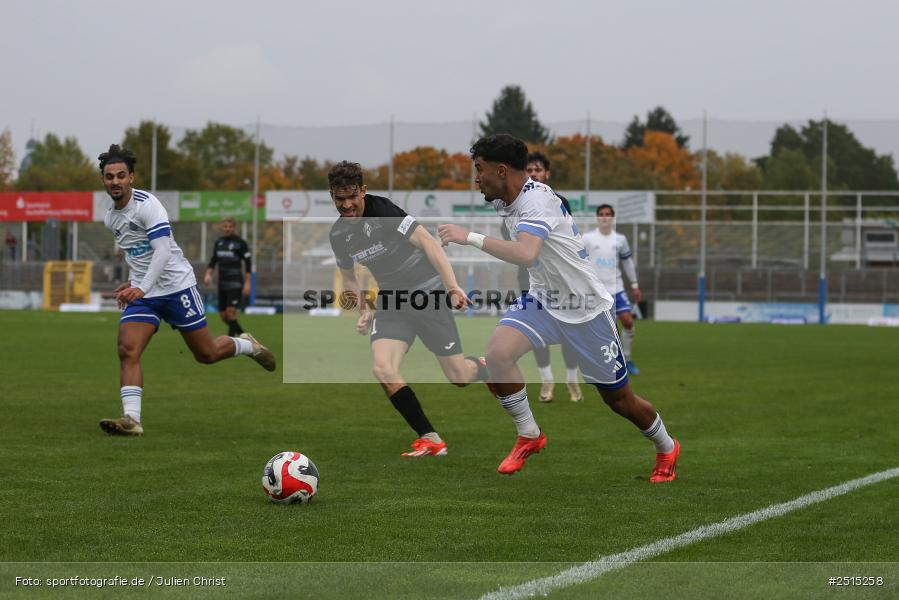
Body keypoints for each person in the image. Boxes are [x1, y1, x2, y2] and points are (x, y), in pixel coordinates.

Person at [437, 134, 680, 481]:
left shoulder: (535, 202)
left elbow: (525, 253)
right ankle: (530, 435)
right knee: (500, 355)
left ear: (501, 170)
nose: (476, 178)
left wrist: (469, 237)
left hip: (585, 307)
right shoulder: (505, 199)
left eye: (479, 170)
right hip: (545, 300)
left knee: (619, 400)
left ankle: (666, 446)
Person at [97, 144, 276, 436]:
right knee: (127, 349)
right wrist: (134, 281)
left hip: (177, 288)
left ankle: (247, 345)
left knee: (206, 354)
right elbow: (137, 254)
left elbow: (163, 250)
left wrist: (141, 286)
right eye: (109, 177)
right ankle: (132, 419)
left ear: (131, 177)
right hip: (145, 295)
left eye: (120, 175)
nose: (115, 181)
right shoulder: (111, 217)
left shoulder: (148, 205)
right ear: (103, 180)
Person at [328, 161, 489, 458]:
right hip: (392, 302)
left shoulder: (384, 211)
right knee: (382, 368)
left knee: (459, 377)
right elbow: (349, 278)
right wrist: (364, 309)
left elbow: (429, 243)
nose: (347, 205)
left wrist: (452, 286)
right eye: (340, 199)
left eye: (352, 196)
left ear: (363, 191)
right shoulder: (339, 235)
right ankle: (430, 438)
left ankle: (489, 365)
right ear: (332, 196)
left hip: (427, 294)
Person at [523, 151, 582, 402]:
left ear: (546, 173)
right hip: (532, 276)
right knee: (537, 330)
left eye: (537, 170)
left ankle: (571, 378)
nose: (533, 174)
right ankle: (547, 380)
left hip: (561, 278)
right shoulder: (520, 203)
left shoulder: (560, 201)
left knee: (569, 327)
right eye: (529, 170)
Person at [581, 204, 643, 375]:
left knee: (628, 321)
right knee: (601, 329)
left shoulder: (620, 239)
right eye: (601, 214)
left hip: (616, 288)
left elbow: (627, 263)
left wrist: (635, 285)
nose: (604, 217)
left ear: (613, 217)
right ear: (597, 217)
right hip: (595, 291)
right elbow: (579, 261)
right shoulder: (587, 238)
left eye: (608, 214)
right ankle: (601, 361)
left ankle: (627, 359)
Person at [204, 216, 252, 336]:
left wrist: (247, 282)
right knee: (223, 316)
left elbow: (248, 263)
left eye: (230, 226)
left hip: (235, 283)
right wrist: (208, 273)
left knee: (231, 312)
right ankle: (243, 334)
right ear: (222, 227)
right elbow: (214, 259)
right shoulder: (219, 242)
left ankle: (231, 340)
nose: (227, 229)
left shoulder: (241, 243)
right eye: (225, 226)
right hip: (222, 283)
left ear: (234, 227)